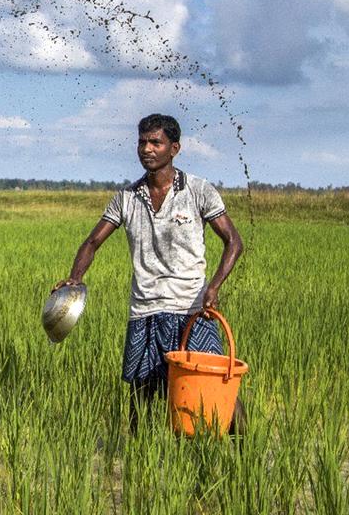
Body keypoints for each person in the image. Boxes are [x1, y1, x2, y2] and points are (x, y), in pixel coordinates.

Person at [54, 114, 243, 432]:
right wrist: (76, 277)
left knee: (217, 386)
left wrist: (214, 287)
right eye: (142, 142)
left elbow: (234, 242)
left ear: (174, 148)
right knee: (140, 394)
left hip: (193, 309)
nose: (147, 149)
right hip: (145, 310)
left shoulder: (198, 190)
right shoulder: (126, 198)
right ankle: (138, 460)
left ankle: (244, 452)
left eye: (155, 142)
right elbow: (92, 241)